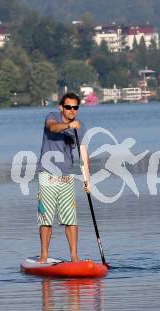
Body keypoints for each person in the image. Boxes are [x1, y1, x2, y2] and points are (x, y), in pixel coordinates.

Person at [36, 92, 90, 263]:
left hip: (66, 176)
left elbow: (83, 153)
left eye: (75, 107)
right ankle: (44, 256)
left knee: (71, 219)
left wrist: (87, 180)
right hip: (47, 175)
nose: (72, 110)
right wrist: (68, 126)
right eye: (68, 107)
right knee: (46, 218)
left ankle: (74, 257)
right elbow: (53, 128)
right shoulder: (52, 116)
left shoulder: (80, 127)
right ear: (61, 107)